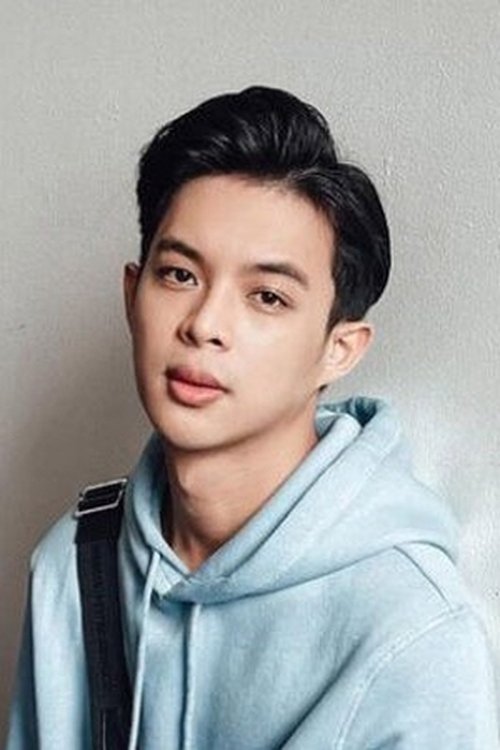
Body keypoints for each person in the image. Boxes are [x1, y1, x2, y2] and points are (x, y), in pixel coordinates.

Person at [6, 86, 499, 749]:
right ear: (132, 295)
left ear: (339, 350)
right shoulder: (74, 562)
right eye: (179, 275)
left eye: (266, 296)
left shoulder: (414, 634)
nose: (204, 324)